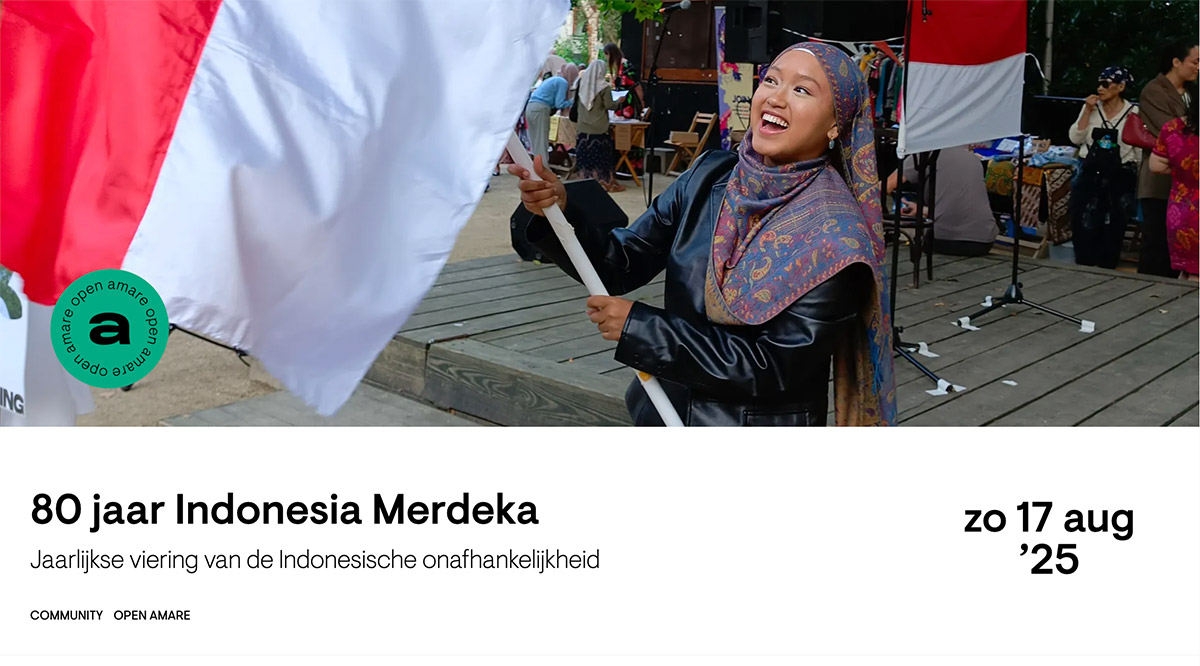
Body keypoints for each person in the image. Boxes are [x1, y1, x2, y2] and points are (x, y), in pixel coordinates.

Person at [510, 42, 896, 427]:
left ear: (836, 124)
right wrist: (560, 211)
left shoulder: (837, 237)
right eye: (772, 80)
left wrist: (642, 328)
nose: (776, 98)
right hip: (663, 411)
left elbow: (775, 367)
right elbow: (621, 261)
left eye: (801, 90)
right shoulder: (709, 177)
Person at [1066, 66, 1141, 268]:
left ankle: (1107, 265)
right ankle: (1084, 262)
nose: (1100, 88)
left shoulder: (1133, 112)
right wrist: (1087, 110)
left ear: (1120, 87)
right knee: (1083, 219)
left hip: (1120, 172)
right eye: (1099, 83)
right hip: (1090, 171)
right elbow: (1075, 138)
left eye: (1105, 84)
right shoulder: (1092, 108)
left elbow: (1137, 146)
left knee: (1114, 222)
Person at [1137, 40, 1199, 276]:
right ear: (1176, 62)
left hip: (1189, 186)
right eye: (1195, 62)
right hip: (1160, 182)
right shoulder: (1153, 91)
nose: (1198, 68)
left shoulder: (1193, 91)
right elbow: (1170, 132)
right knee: (1156, 242)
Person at [883, 146, 997, 257]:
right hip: (984, 241)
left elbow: (885, 188)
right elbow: (957, 203)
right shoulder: (973, 158)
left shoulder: (926, 153)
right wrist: (922, 210)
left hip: (945, 239)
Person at [1149, 95, 1198, 279]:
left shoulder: (1173, 128)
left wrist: (1182, 170)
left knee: (1188, 271)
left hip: (1182, 211)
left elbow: (1156, 166)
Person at [571, 60, 624, 192]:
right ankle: (604, 182)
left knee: (585, 158)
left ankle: (584, 180)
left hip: (583, 127)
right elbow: (610, 105)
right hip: (599, 128)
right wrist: (619, 101)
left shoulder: (581, 84)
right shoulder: (604, 87)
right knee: (601, 158)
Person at [525, 64, 576, 164]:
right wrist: (572, 101)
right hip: (540, 109)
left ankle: (536, 165)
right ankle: (543, 168)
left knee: (535, 142)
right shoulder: (563, 82)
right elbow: (559, 103)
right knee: (542, 142)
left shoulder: (554, 79)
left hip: (530, 107)